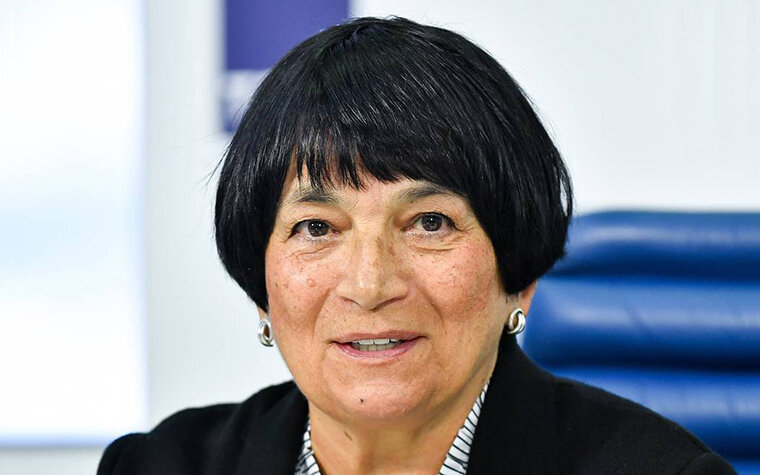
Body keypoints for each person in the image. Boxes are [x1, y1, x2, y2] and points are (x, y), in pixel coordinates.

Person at [98, 16, 735, 475]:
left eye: (429, 223)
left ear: (519, 277)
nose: (370, 284)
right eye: (316, 228)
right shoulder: (158, 464)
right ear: (261, 288)